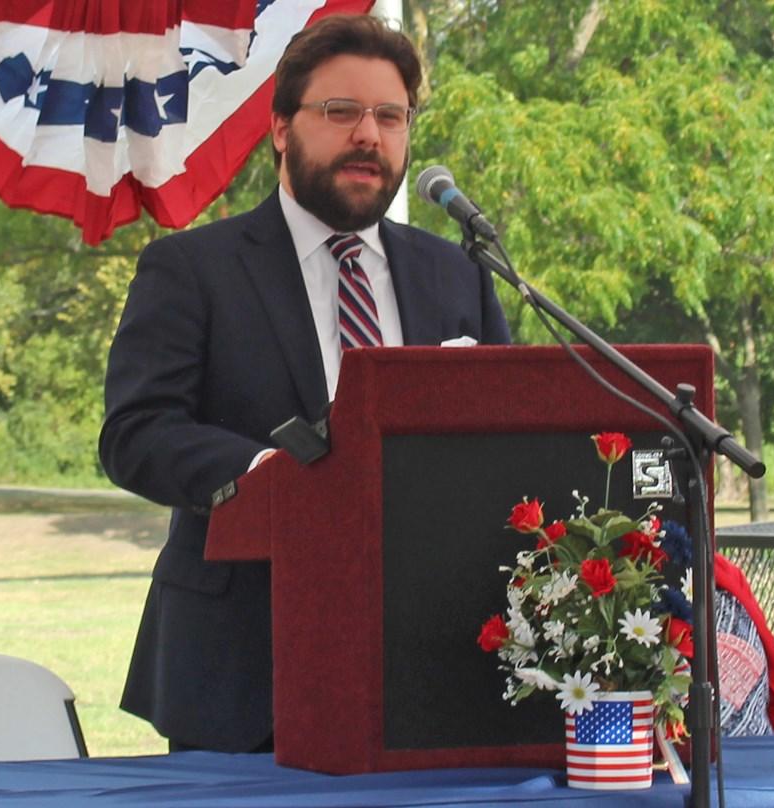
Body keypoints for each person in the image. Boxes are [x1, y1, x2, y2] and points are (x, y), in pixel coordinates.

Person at [99, 13, 511, 753]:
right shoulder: (193, 271)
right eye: (341, 111)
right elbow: (136, 433)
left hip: (437, 663)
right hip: (241, 672)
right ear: (282, 128)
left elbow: (504, 443)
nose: (369, 135)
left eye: (391, 116)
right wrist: (264, 475)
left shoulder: (458, 276)